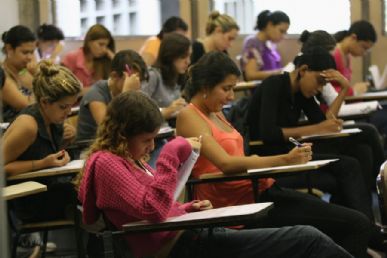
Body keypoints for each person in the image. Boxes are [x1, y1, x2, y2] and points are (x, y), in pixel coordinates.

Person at [75, 90, 352, 258]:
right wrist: (171, 155)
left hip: (187, 236)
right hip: (177, 247)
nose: (151, 147)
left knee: (304, 240)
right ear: (123, 134)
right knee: (306, 238)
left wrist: (186, 207)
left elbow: (149, 208)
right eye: (147, 139)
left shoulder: (128, 158)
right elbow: (153, 209)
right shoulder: (108, 163)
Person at [176, 51, 378, 257]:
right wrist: (286, 159)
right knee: (354, 224)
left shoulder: (215, 111)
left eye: (232, 89)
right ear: (205, 87)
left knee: (354, 220)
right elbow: (226, 163)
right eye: (226, 89)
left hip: (261, 189)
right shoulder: (189, 116)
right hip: (240, 204)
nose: (230, 96)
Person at [3, 61, 81, 256]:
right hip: (28, 201)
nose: (69, 112)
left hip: (48, 190)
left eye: (71, 106)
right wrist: (42, 163)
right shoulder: (28, 125)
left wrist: (63, 146)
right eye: (64, 106)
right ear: (45, 102)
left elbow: (46, 156)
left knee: (94, 189)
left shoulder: (53, 120)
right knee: (90, 193)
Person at [296, 30, 384, 189]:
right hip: (303, 138)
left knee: (363, 150)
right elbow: (318, 123)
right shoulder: (300, 75)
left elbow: (329, 115)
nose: (329, 62)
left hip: (317, 130)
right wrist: (322, 126)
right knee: (369, 130)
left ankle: (368, 197)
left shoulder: (319, 72)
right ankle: (383, 181)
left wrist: (344, 88)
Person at [76, 49, 145, 142]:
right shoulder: (95, 94)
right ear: (114, 76)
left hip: (121, 144)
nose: (136, 84)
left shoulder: (132, 90)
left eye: (138, 79)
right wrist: (126, 94)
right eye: (131, 79)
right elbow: (109, 131)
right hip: (90, 147)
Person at [141, 33, 190, 121]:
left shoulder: (179, 75)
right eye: (183, 57)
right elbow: (140, 113)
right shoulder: (153, 75)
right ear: (170, 56)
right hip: (155, 131)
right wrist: (168, 111)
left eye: (189, 56)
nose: (188, 61)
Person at [62, 24, 115, 91]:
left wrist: (114, 58)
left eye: (106, 46)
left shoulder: (103, 61)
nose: (104, 50)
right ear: (89, 42)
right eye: (101, 44)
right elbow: (63, 89)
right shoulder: (72, 57)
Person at [241, 10, 290, 81]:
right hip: (261, 89)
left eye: (285, 32)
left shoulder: (270, 45)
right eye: (281, 31)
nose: (283, 36)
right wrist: (280, 72)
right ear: (269, 25)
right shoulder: (253, 43)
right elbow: (250, 75)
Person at [1, 25, 36, 122]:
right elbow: (27, 105)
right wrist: (38, 77)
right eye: (25, 53)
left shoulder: (27, 73)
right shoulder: (2, 75)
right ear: (9, 49)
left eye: (32, 52)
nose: (29, 57)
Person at [333, 20, 377, 96]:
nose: (364, 53)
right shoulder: (334, 54)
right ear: (353, 38)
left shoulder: (347, 55)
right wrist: (353, 90)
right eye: (364, 47)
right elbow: (324, 91)